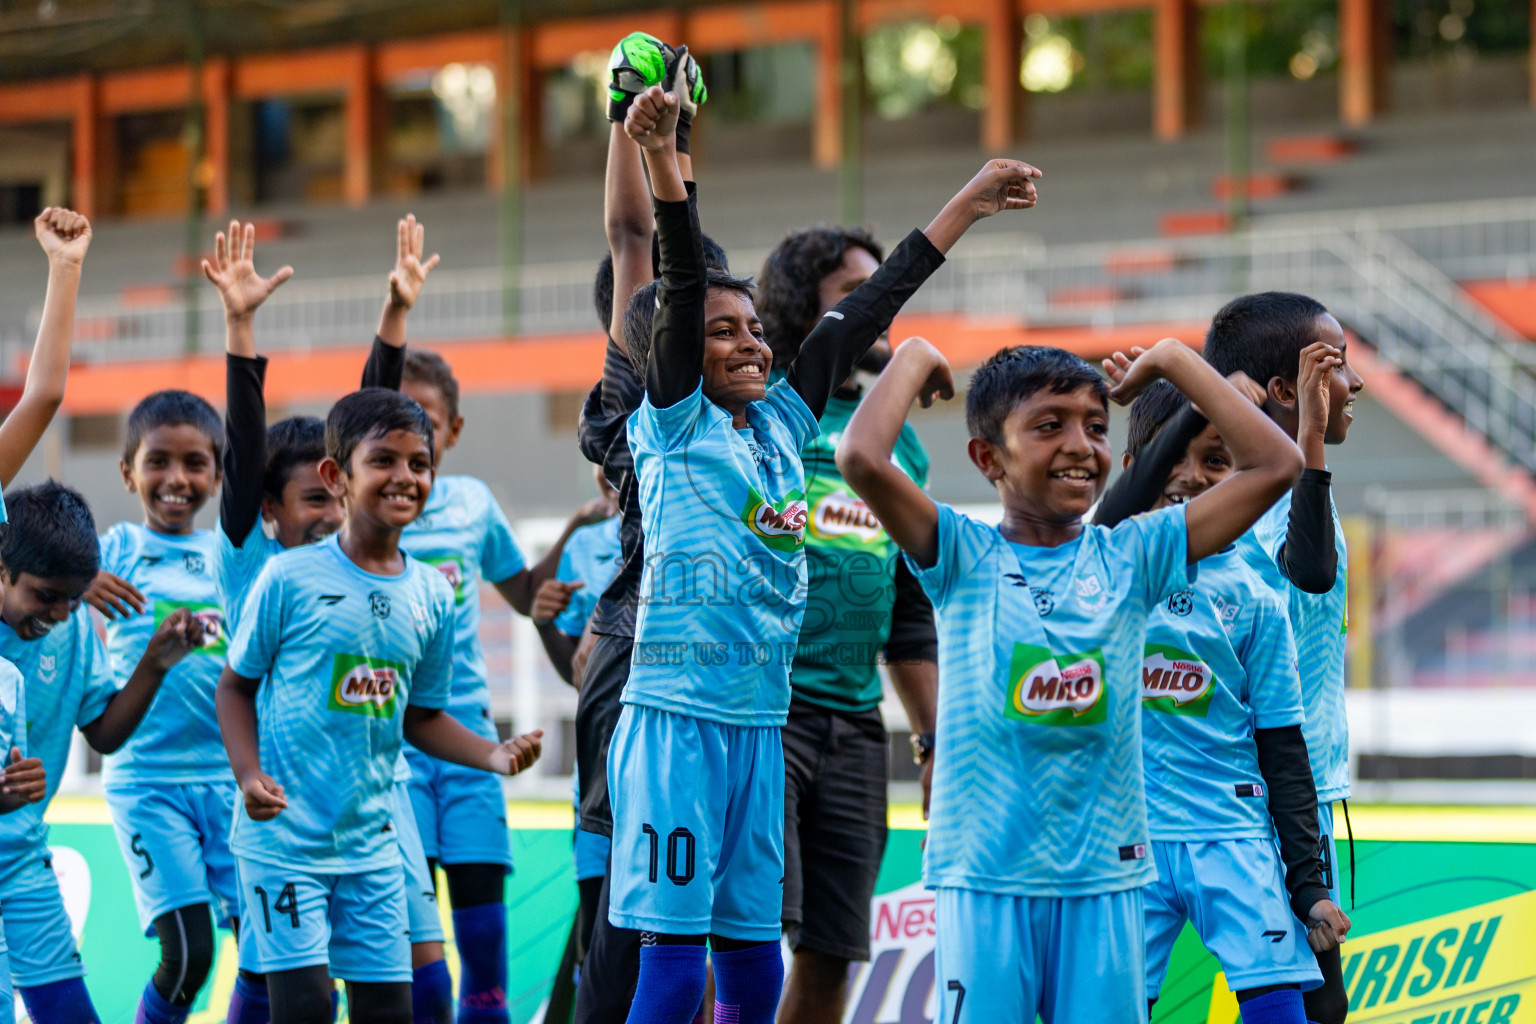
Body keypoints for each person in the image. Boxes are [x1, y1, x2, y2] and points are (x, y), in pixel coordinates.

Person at [613, 76, 1037, 1023]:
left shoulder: (782, 424)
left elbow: (866, 307)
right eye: (725, 333)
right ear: (679, 355)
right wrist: (663, 160)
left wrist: (965, 206)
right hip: (678, 724)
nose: (751, 343)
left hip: (760, 727)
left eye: (757, 328)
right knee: (678, 973)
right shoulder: (674, 425)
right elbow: (680, 286)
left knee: (758, 971)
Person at [836, 336, 1303, 1022]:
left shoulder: (1138, 553)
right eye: (1049, 425)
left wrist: (1174, 360)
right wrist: (911, 358)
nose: (1082, 445)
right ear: (987, 457)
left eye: (1095, 425)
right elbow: (860, 458)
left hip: (1108, 885)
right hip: (986, 879)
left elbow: (1277, 463)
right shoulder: (961, 552)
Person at [215, 388, 543, 1024]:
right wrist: (248, 775)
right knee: (306, 1004)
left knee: (394, 1011)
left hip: (372, 844)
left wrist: (491, 754)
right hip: (283, 842)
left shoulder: (431, 593)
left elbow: (420, 717)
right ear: (339, 478)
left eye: (418, 463)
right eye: (384, 461)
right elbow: (233, 687)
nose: (404, 477)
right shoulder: (288, 579)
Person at [204, 217, 455, 1024]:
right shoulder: (256, 557)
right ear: (269, 511)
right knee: (289, 990)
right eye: (314, 499)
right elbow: (245, 444)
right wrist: (241, 330)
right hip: (286, 808)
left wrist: (395, 316)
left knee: (424, 983)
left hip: (375, 805)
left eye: (334, 495)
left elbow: (367, 423)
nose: (331, 510)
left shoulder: (387, 560)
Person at [1093, 378, 1351, 1023]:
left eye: (1215, 460)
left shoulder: (1255, 600)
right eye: (1171, 456)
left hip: (1234, 841)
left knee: (1292, 1011)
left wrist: (1309, 886)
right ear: (1134, 469)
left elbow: (1284, 752)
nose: (1190, 476)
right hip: (1128, 848)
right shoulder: (1101, 572)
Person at [755, 225, 940, 1024]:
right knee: (751, 937)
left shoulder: (905, 446)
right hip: (763, 716)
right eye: (854, 296)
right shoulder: (763, 418)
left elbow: (909, 613)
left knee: (834, 950)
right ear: (804, 313)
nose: (880, 313)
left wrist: (933, 742)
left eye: (884, 294)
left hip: (857, 728)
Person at [395, 345, 604, 1024]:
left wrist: (574, 526)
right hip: (393, 749)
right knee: (415, 946)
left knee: (484, 940)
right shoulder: (365, 512)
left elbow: (523, 592)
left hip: (471, 742)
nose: (411, 430)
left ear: (453, 430)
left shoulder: (471, 504)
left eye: (424, 416)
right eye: (396, 415)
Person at [1201, 292, 1366, 1024]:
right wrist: (1310, 445)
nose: (1355, 384)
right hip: (1264, 799)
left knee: (1304, 1003)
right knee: (1308, 1006)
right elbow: (1311, 573)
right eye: (1337, 365)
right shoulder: (1265, 490)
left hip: (1295, 790)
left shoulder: (1290, 485)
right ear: (1284, 389)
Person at [0, 482, 202, 1024]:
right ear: (2, 569)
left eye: (74, 598)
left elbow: (104, 733)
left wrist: (155, 663)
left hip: (22, 857)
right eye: (46, 596)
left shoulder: (69, 630)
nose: (62, 614)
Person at [82, 381, 245, 1024]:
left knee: (269, 949)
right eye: (158, 461)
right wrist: (77, 577)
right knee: (190, 955)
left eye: (194, 463)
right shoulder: (114, 551)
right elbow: (24, 568)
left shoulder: (232, 559)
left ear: (218, 474)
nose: (176, 478)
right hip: (148, 783)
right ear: (128, 473)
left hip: (233, 782)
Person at [533, 466, 621, 685]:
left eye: (624, 446)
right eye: (598, 454)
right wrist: (544, 625)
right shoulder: (583, 543)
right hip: (607, 716)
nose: (608, 465)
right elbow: (579, 671)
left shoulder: (683, 539)